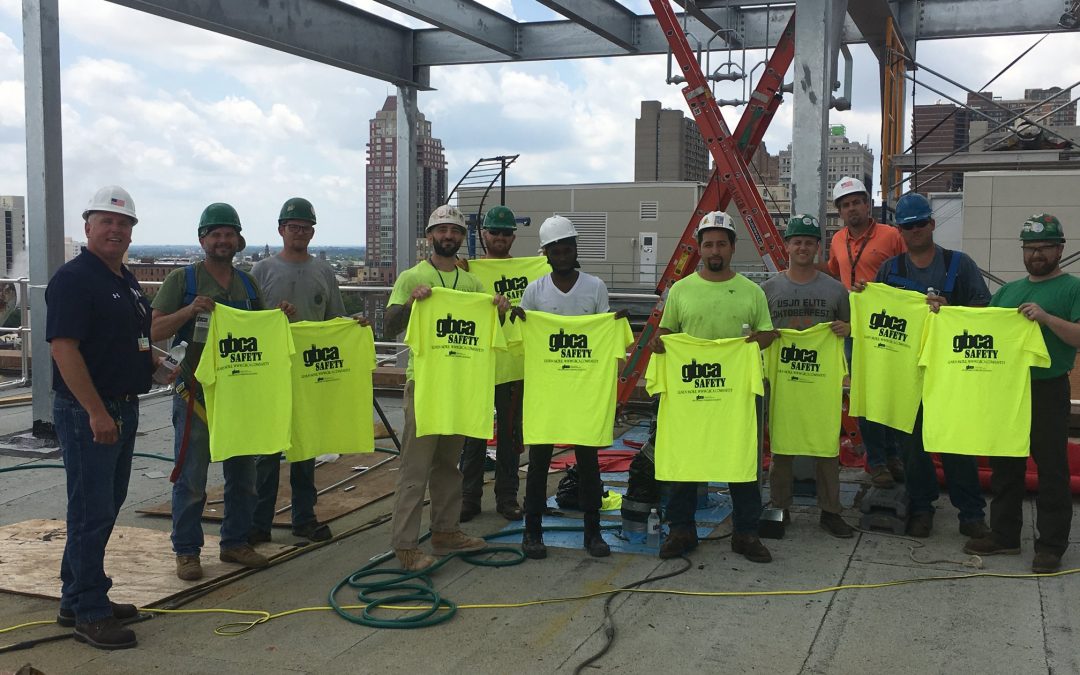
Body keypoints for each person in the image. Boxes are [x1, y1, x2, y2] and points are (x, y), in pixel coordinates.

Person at [152, 203, 293, 581]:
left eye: (229, 234)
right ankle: (187, 551)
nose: (222, 240)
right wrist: (189, 311)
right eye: (215, 234)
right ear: (202, 239)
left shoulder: (247, 284)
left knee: (243, 475)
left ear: (238, 240)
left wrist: (279, 316)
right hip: (195, 393)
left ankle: (235, 542)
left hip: (240, 394)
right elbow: (153, 331)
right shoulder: (183, 282)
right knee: (193, 477)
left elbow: (262, 329)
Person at [46, 186, 151, 649]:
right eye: (107, 221)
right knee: (90, 510)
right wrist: (94, 411)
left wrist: (161, 366)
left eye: (124, 223)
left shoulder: (124, 279)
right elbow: (63, 348)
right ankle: (90, 611)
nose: (116, 229)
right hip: (91, 410)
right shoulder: (75, 279)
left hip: (122, 406)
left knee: (103, 506)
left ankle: (77, 597)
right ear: (87, 226)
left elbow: (134, 342)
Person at [383, 204, 508, 571]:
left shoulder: (471, 284)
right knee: (414, 469)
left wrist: (498, 308)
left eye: (455, 231)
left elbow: (493, 326)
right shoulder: (413, 276)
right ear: (430, 237)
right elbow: (389, 325)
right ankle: (405, 546)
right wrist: (410, 302)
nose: (449, 237)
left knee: (448, 466)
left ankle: (445, 531)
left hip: (458, 386)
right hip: (423, 386)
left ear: (461, 238)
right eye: (442, 231)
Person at [649, 211, 777, 562]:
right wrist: (661, 345)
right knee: (684, 458)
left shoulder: (752, 292)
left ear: (733, 247)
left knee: (742, 459)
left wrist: (756, 342)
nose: (714, 250)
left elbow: (766, 333)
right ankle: (681, 529)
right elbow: (665, 334)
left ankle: (746, 533)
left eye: (721, 243)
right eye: (708, 244)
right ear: (700, 249)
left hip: (735, 393)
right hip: (691, 393)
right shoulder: (681, 290)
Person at [964, 214, 1080, 573]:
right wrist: (939, 310)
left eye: (1044, 247)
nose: (1037, 254)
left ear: (1060, 248)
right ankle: (1004, 535)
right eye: (1030, 248)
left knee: (1052, 469)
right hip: (1007, 388)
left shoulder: (1072, 288)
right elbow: (979, 328)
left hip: (1047, 388)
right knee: (1005, 466)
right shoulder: (1007, 292)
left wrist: (1046, 318)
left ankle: (1050, 545)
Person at [871, 193, 990, 539]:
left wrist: (950, 311)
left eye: (921, 223)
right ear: (900, 231)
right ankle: (922, 507)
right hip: (907, 374)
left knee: (956, 443)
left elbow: (982, 315)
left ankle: (971, 513)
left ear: (932, 225)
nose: (915, 231)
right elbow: (877, 317)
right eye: (908, 226)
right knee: (912, 446)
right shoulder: (889, 271)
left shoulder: (959, 265)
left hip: (950, 372)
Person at [249, 197, 353, 544]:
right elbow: (251, 324)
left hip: (308, 372)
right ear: (281, 230)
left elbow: (333, 319)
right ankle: (259, 522)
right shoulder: (261, 271)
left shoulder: (323, 271)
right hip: (272, 372)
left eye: (306, 228)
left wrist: (355, 328)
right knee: (267, 451)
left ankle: (304, 518)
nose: (300, 233)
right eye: (294, 227)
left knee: (305, 449)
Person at [516, 216, 618, 559]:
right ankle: (532, 532)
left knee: (588, 462)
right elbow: (523, 334)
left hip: (584, 390)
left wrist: (612, 326)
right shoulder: (535, 291)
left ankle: (593, 532)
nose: (561, 253)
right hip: (547, 390)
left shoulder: (595, 287)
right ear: (546, 253)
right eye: (555, 249)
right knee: (539, 460)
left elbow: (605, 335)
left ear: (575, 249)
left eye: (567, 247)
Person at [761, 213, 853, 539]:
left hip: (820, 383)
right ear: (787, 245)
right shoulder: (768, 289)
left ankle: (830, 511)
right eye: (797, 241)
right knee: (782, 446)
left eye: (809, 242)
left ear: (818, 247)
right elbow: (754, 333)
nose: (803, 247)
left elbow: (852, 329)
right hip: (783, 380)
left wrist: (848, 328)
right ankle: (779, 507)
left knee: (826, 446)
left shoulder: (835, 290)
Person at [825, 176, 907, 488]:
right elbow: (835, 271)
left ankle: (894, 455)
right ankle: (877, 462)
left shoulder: (891, 235)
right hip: (853, 330)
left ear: (867, 204)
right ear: (840, 211)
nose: (852, 208)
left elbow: (907, 272)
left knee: (891, 392)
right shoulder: (837, 240)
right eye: (846, 205)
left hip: (888, 328)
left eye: (857, 202)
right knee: (864, 397)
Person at [459, 205, 524, 522]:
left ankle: (507, 497)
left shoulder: (530, 269)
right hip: (479, 363)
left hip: (514, 364)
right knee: (473, 433)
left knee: (510, 435)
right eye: (494, 231)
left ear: (513, 236)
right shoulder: (469, 271)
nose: (500, 237)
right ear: (483, 234)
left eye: (506, 232)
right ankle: (469, 497)